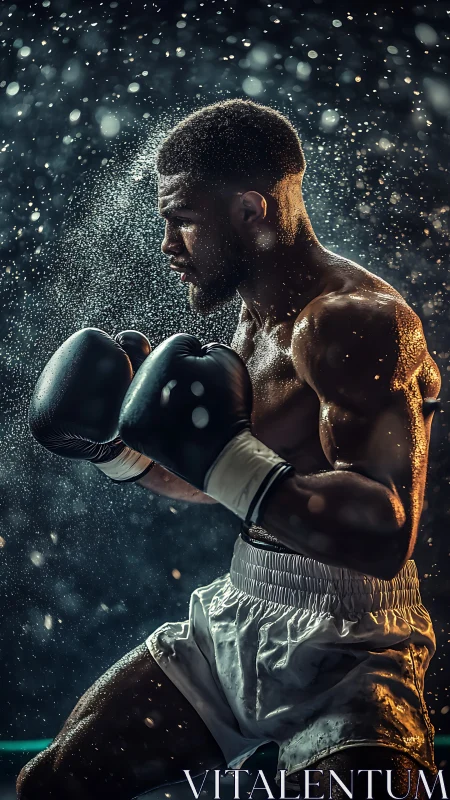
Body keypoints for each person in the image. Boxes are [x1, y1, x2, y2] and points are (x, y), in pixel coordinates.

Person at [18, 100, 441, 800]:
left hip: (352, 641)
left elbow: (386, 532)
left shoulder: (355, 323)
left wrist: (219, 457)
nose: (167, 243)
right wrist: (119, 452)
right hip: (242, 606)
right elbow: (221, 477)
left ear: (251, 210)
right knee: (52, 784)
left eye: (182, 218)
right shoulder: (251, 315)